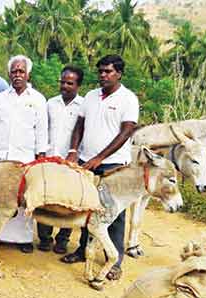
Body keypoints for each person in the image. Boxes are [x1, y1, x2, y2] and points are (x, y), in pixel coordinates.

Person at [61, 55, 139, 282]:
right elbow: (80, 125)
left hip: (114, 165)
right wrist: (74, 151)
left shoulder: (128, 99)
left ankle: (113, 261)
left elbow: (126, 132)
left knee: (114, 213)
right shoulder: (91, 97)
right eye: (101, 72)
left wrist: (100, 157)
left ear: (119, 73)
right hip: (86, 161)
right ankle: (82, 250)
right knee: (87, 208)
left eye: (108, 71)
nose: (103, 75)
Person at [0, 55, 48, 253]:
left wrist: (41, 158)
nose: (17, 75)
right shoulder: (0, 98)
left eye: (21, 71)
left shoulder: (37, 99)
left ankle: (23, 239)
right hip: (0, 157)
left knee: (23, 199)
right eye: (14, 71)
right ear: (9, 74)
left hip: (25, 159)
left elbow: (42, 131)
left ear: (28, 74)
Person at [37, 66, 85, 254]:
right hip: (49, 159)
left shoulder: (83, 106)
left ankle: (63, 239)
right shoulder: (50, 103)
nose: (64, 86)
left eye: (69, 83)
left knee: (69, 202)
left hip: (72, 162)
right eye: (62, 82)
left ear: (78, 85)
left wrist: (74, 155)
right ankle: (44, 237)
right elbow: (43, 129)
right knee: (46, 198)